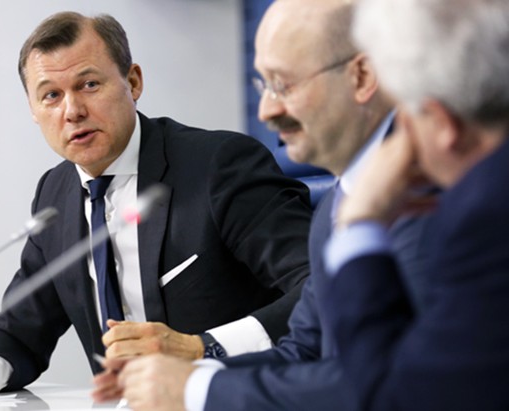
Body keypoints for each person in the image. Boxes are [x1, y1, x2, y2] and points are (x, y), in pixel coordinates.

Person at [0, 11, 313, 395]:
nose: (72, 111)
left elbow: (321, 287)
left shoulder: (219, 165)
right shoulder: (55, 195)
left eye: (89, 85)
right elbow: (21, 333)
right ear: (33, 110)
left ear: (133, 82)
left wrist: (202, 347)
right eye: (51, 95)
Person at [92, 1, 433, 410]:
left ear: (361, 77)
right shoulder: (336, 206)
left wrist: (195, 390)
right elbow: (301, 351)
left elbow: (395, 385)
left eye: (284, 85)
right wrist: (174, 379)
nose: (267, 110)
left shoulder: (431, 193)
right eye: (263, 86)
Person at [321, 0, 509, 410]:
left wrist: (359, 225)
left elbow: (401, 399)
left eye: (403, 114)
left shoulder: (491, 211)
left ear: (442, 123)